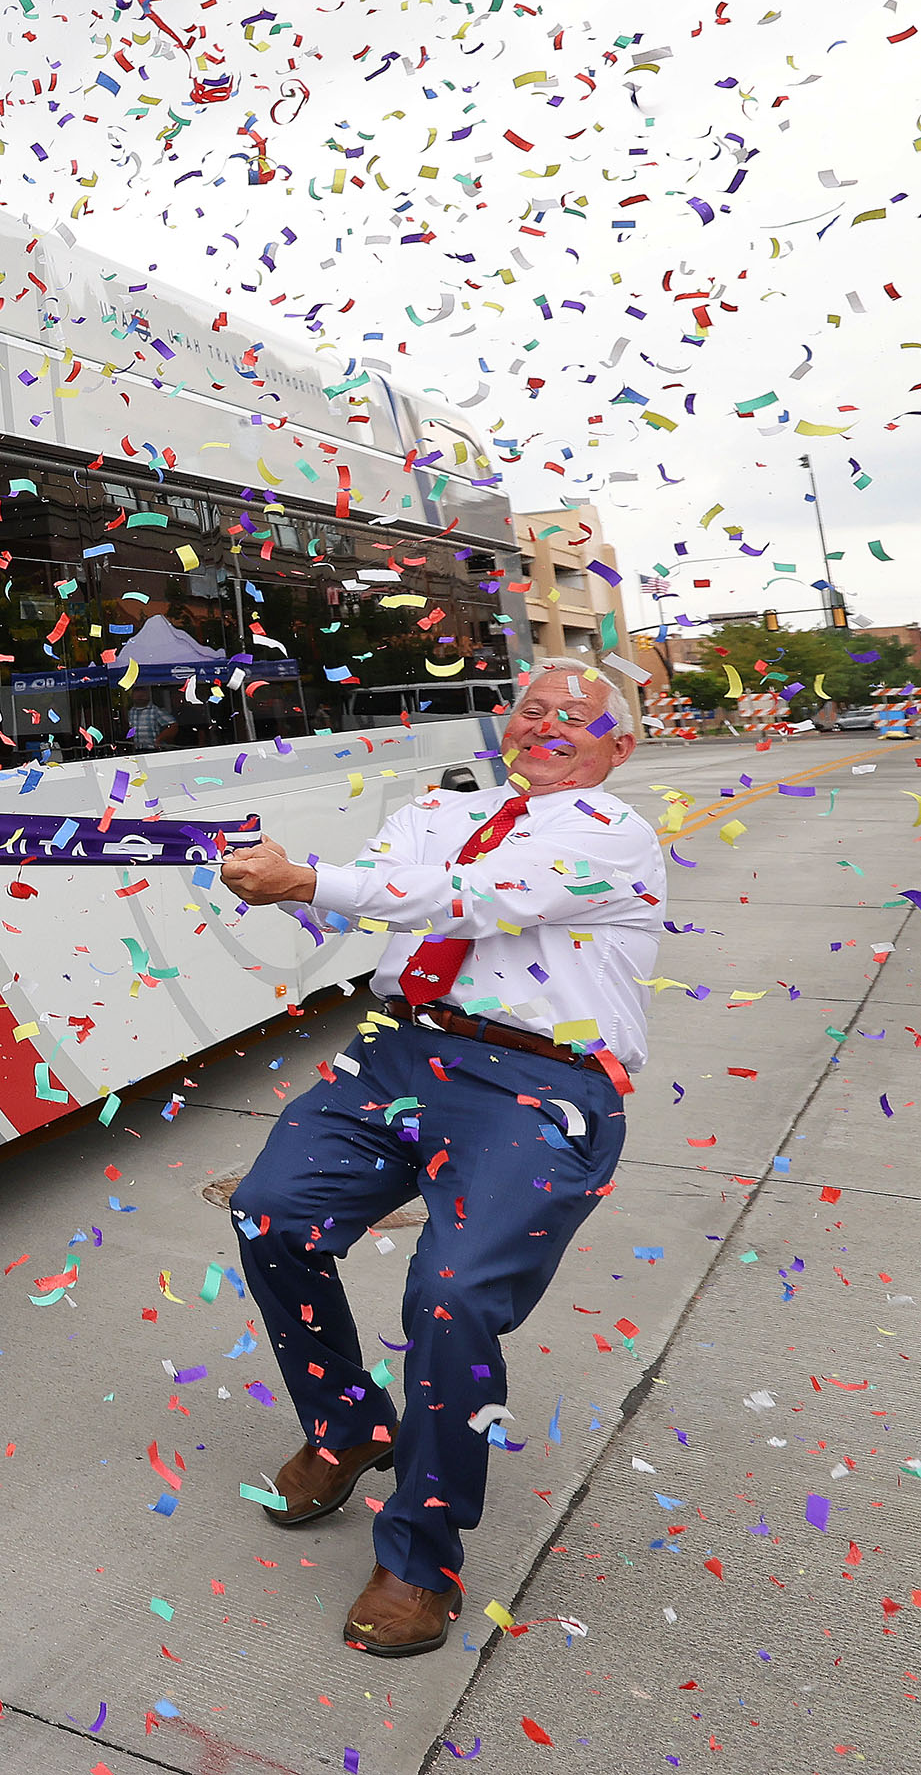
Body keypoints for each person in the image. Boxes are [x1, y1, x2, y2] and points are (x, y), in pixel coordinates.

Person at [215, 659, 663, 1658]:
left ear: (618, 747)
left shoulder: (610, 834)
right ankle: (347, 1426)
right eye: (532, 708)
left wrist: (309, 879)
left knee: (451, 1294)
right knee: (269, 1213)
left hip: (544, 1084)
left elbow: (470, 900)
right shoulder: (434, 812)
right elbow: (366, 905)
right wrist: (273, 875)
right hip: (397, 1051)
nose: (548, 725)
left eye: (575, 717)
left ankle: (421, 1554)